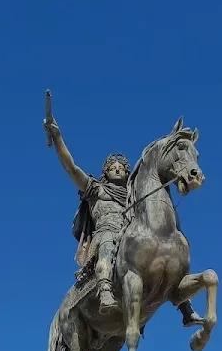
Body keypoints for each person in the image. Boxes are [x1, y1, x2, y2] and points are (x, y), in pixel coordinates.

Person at [43, 110, 200, 326]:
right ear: (105, 172)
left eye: (121, 168)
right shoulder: (94, 189)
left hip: (129, 232)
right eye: (112, 168)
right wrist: (58, 138)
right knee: (108, 243)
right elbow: (71, 167)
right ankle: (105, 288)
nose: (117, 170)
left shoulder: (133, 194)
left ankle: (184, 302)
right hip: (106, 232)